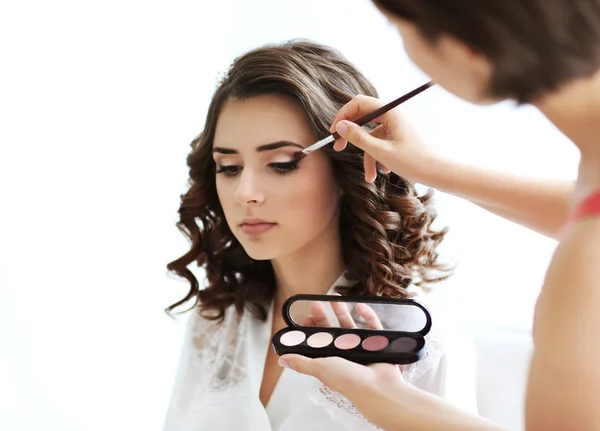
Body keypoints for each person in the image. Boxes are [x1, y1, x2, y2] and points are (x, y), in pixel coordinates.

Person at [278, 1, 600, 431]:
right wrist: (430, 167)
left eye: (398, 28)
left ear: (465, 42)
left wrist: (386, 400)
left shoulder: (584, 264)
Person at [162, 40, 478, 431]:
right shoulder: (218, 322)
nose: (246, 193)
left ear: (345, 169)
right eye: (228, 167)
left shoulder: (421, 343)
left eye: (280, 164)